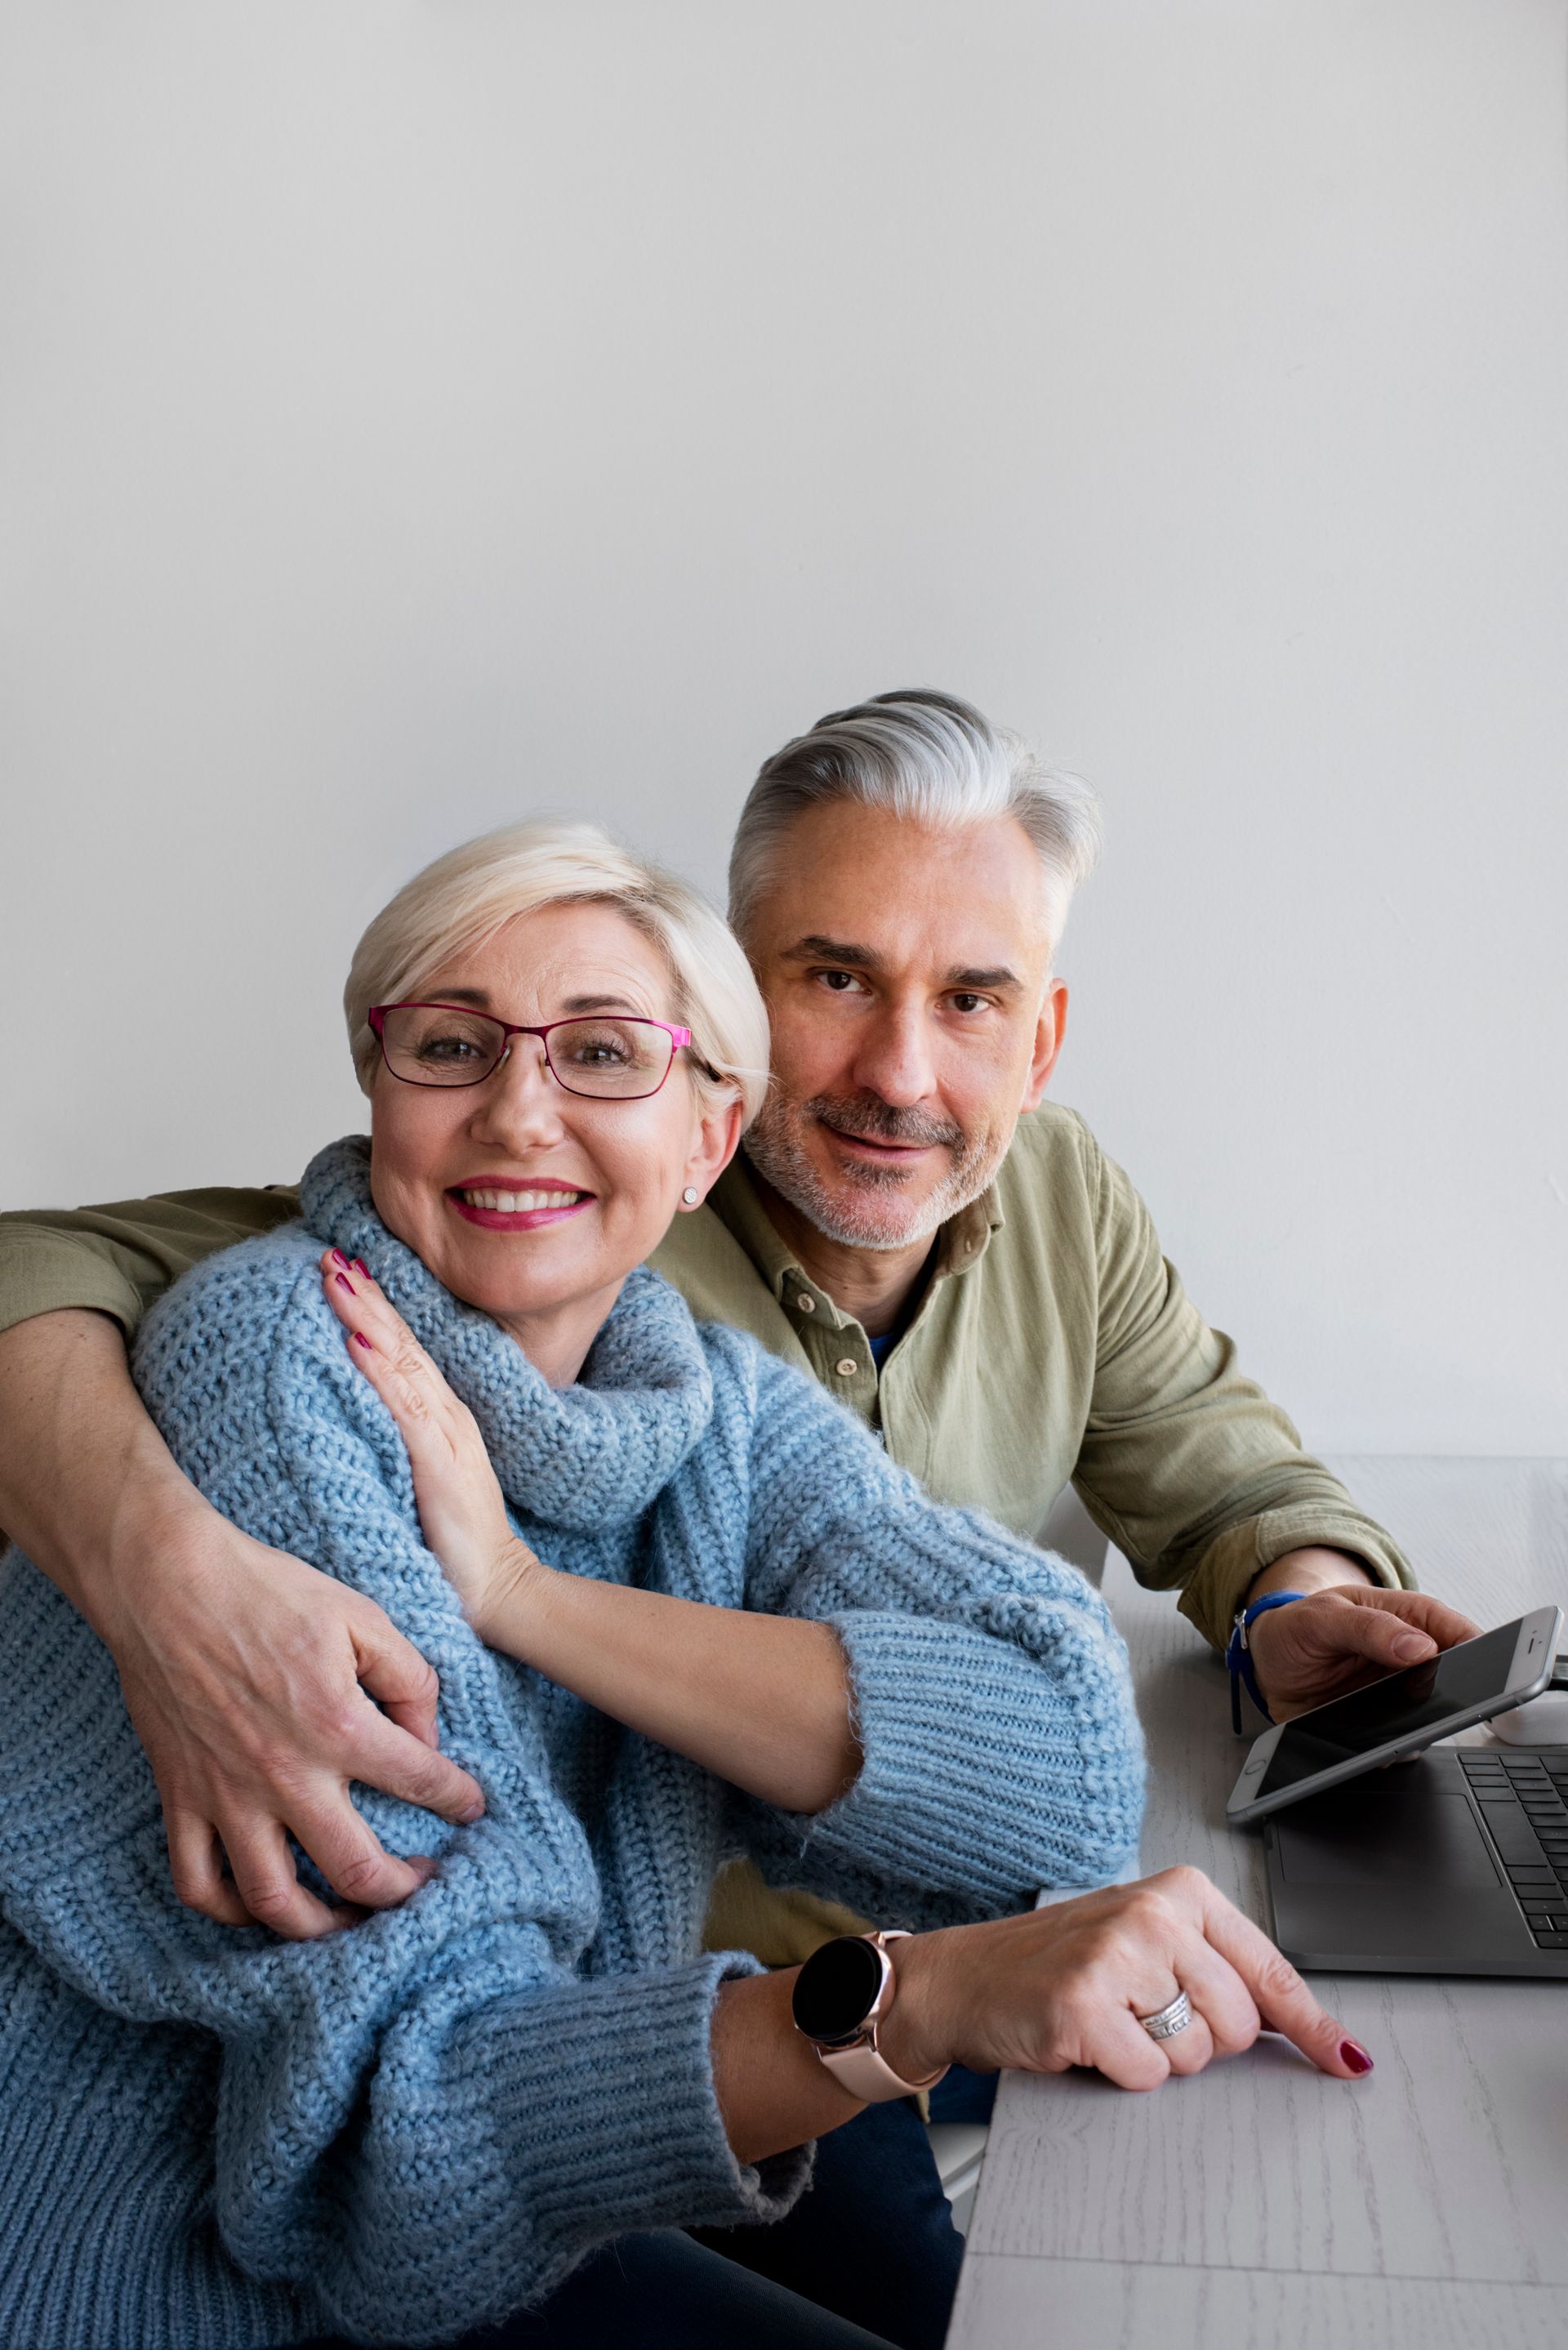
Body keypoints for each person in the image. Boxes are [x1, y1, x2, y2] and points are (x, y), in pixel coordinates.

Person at [0, 824, 1370, 2350]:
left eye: (603, 1054)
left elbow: (1063, 1761)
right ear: (382, 1089)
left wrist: (525, 1598)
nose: (520, 1113)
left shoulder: (696, 1395)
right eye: (453, 1045)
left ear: (714, 1136)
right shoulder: (282, 1368)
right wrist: (910, 2000)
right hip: (173, 2272)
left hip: (516, 2199)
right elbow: (423, 2133)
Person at [0, 692, 1478, 1958]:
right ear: (736, 1009)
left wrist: (1296, 1604)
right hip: (681, 2010)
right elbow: (50, 1272)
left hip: (996, 1927)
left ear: (1039, 1040)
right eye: (836, 978)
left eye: (970, 999)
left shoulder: (1063, 1193)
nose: (899, 1072)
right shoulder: (555, 1213)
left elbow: (1220, 1475)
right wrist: (164, 1579)